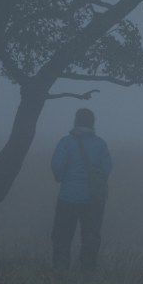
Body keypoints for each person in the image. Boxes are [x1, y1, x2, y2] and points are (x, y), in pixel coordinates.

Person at [50, 108, 113, 272]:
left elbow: (57, 166)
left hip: (67, 198)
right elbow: (107, 168)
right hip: (94, 200)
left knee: (62, 238)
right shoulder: (100, 143)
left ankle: (60, 274)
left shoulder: (65, 142)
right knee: (91, 238)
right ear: (92, 123)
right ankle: (86, 275)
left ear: (75, 122)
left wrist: (62, 178)